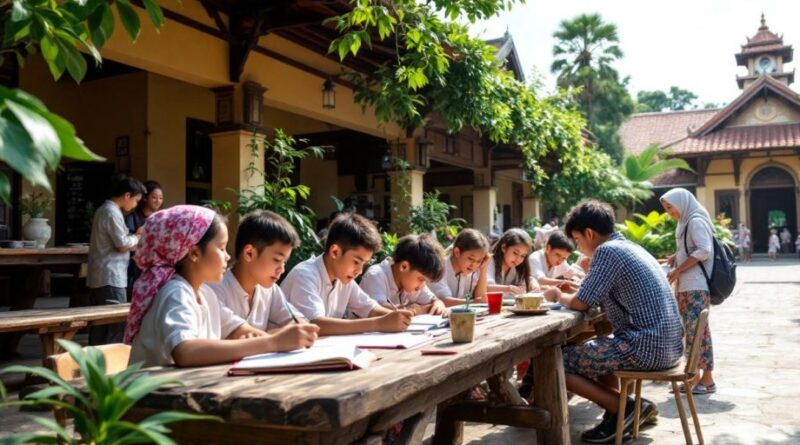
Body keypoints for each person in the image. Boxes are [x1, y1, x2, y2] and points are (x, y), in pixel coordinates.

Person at [545, 200, 683, 443]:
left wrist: (557, 295)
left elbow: (581, 303)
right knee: (600, 345)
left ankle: (626, 408)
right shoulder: (630, 247)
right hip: (669, 345)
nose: (578, 247)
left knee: (555, 362)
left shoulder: (606, 251)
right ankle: (617, 413)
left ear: (589, 233)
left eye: (577, 240)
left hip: (645, 346)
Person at [126, 206, 318, 367]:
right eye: (221, 248)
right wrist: (273, 342)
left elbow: (240, 330)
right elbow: (185, 352)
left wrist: (283, 339)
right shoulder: (176, 292)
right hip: (149, 404)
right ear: (194, 253)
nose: (227, 256)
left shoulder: (205, 294)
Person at [281, 213, 414, 336]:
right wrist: (379, 324)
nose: (360, 271)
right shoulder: (305, 274)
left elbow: (370, 309)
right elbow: (316, 324)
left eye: (364, 264)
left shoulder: (343, 278)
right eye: (356, 262)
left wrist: (400, 319)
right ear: (335, 252)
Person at [209, 210, 309, 331]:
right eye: (277, 260)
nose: (281, 270)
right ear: (249, 253)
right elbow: (238, 335)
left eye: (284, 263)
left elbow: (300, 322)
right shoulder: (215, 290)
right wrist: (278, 336)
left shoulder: (270, 290)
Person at [661, 188, 717, 396]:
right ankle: (693, 377)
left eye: (670, 207)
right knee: (692, 333)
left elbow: (704, 250)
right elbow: (693, 248)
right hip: (688, 287)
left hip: (696, 286)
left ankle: (708, 380)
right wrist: (677, 256)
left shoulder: (695, 221)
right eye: (666, 208)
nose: (669, 212)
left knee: (699, 333)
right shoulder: (685, 222)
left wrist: (678, 269)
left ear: (682, 202)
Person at [86, 176, 147, 345]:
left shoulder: (105, 210)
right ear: (127, 196)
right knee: (114, 325)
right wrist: (138, 236)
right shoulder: (111, 212)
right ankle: (110, 365)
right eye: (136, 201)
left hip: (103, 275)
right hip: (110, 276)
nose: (135, 206)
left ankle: (95, 364)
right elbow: (122, 244)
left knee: (100, 325)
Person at [360, 234, 447, 315]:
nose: (421, 286)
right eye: (421, 279)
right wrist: (417, 309)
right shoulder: (376, 276)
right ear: (404, 267)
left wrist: (438, 304)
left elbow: (434, 301)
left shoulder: (410, 280)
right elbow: (380, 311)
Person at [428, 228, 491, 306]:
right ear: (457, 252)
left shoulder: (476, 269)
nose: (474, 264)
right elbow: (443, 301)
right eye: (470, 259)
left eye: (479, 261)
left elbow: (480, 298)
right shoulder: (439, 267)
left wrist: (483, 269)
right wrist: (473, 303)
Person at [125, 180, 164, 300]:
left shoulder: (163, 217)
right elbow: (127, 240)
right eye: (154, 197)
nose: (158, 201)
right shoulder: (133, 217)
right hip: (136, 266)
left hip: (156, 265)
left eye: (161, 198)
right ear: (145, 198)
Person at [487, 228, 538, 295]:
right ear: (504, 247)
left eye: (522, 256)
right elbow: (486, 288)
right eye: (515, 253)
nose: (518, 259)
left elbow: (525, 285)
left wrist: (533, 283)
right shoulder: (490, 261)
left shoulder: (518, 268)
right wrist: (508, 289)